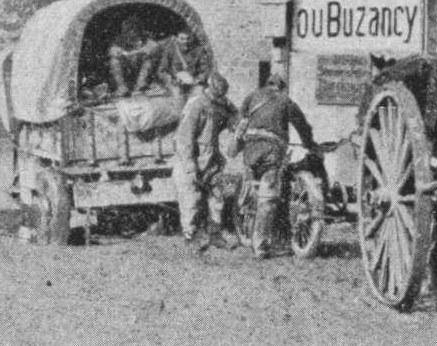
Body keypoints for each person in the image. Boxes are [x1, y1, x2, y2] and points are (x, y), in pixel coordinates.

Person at [232, 73, 315, 259]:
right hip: (272, 152)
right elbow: (301, 124)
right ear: (282, 87)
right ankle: (260, 247)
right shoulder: (285, 101)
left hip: (250, 150)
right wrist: (309, 144)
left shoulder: (251, 97)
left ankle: (246, 224)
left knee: (253, 188)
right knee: (268, 199)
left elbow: (239, 120)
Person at [172, 72, 239, 250]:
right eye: (218, 94)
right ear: (211, 89)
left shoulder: (221, 104)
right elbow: (184, 139)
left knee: (217, 199)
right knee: (191, 201)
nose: (221, 97)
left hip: (211, 160)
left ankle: (215, 235)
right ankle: (191, 237)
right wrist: (190, 166)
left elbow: (234, 115)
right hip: (190, 160)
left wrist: (237, 123)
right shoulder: (196, 105)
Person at [109, 16, 163, 97]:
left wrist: (137, 52)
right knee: (114, 61)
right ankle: (122, 87)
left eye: (133, 30)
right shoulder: (121, 39)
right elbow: (112, 50)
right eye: (127, 30)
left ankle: (141, 86)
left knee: (148, 60)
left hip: (143, 71)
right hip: (128, 70)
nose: (130, 33)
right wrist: (120, 52)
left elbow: (154, 47)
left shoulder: (145, 37)